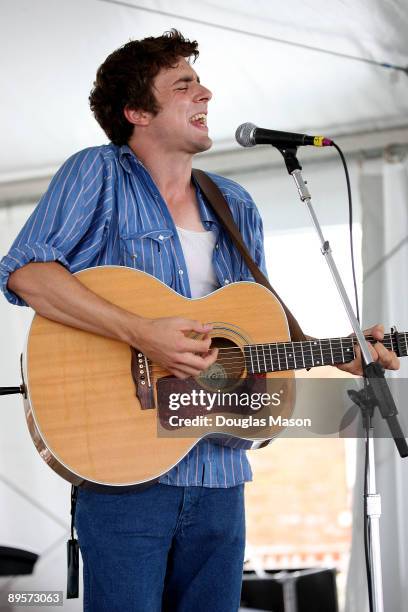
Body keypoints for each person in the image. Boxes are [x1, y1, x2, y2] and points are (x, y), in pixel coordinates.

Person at [0, 30, 399, 612]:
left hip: (221, 469)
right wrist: (140, 332)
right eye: (183, 85)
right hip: (125, 471)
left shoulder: (234, 203)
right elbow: (25, 274)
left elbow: (254, 327)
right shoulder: (98, 174)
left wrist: (334, 350)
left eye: (200, 81)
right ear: (136, 111)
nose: (205, 92)